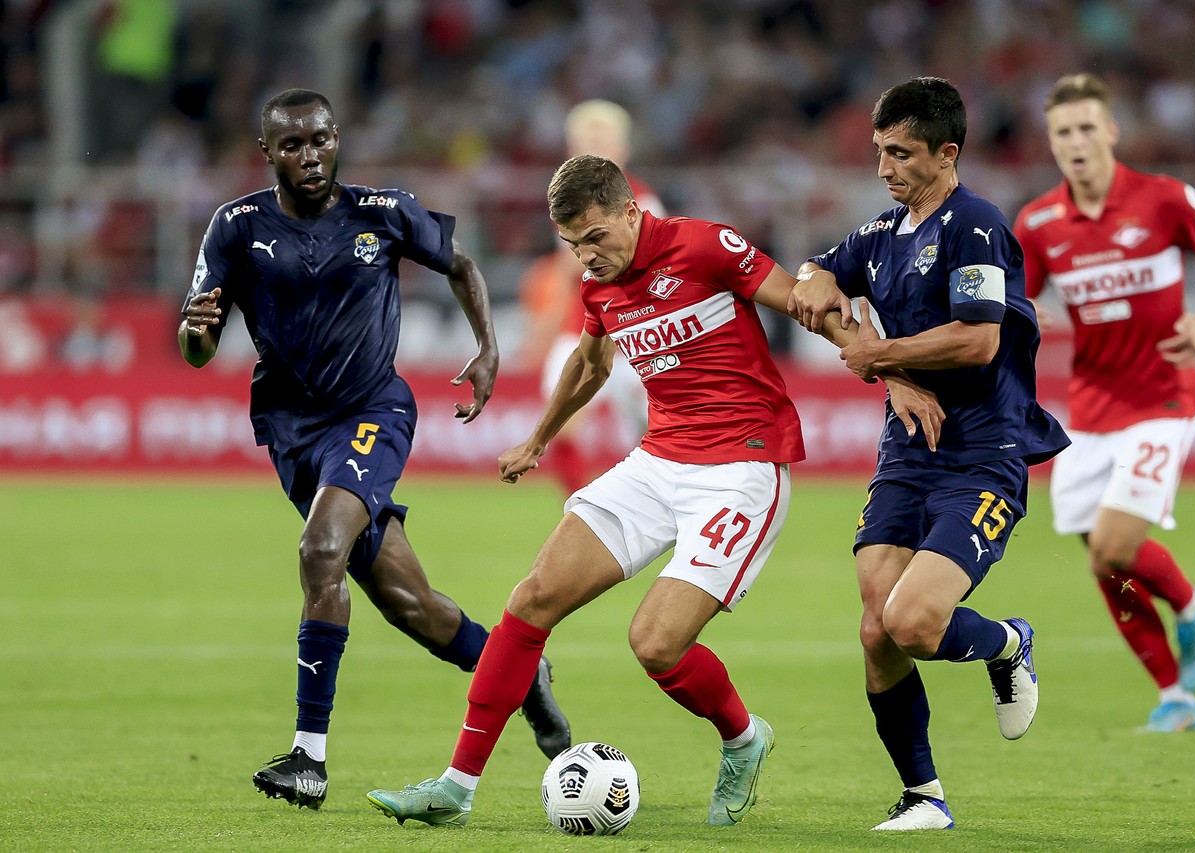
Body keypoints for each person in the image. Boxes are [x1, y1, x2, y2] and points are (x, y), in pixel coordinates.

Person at [365, 154, 943, 829]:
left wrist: (889, 371)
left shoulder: (704, 245)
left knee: (656, 643)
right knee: (531, 600)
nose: (588, 256)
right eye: (573, 244)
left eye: (596, 237)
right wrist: (539, 438)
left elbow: (807, 303)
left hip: (741, 468)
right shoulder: (598, 287)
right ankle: (455, 787)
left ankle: (743, 737)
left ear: (631, 212)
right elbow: (590, 363)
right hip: (658, 461)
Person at [177, 88, 570, 811]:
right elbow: (196, 345)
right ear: (267, 153)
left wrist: (488, 348)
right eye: (292, 145)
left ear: (337, 138)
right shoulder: (236, 226)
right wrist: (195, 333)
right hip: (292, 432)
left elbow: (462, 265)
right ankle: (523, 677)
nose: (310, 155)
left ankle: (308, 758)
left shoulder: (383, 211)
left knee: (320, 549)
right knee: (410, 605)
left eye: (321, 139)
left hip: (371, 412)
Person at [788, 76, 1070, 831]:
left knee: (913, 622)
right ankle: (924, 796)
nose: (885, 168)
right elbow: (808, 276)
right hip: (908, 452)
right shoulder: (882, 232)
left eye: (902, 154)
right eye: (880, 151)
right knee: (876, 628)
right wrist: (875, 355)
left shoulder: (975, 224)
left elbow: (978, 340)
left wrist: (879, 354)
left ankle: (1007, 642)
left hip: (983, 452)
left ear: (948, 154)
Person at [1013, 73, 1195, 733]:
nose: (1076, 142)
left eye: (1087, 127)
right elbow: (1016, 296)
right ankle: (1175, 695)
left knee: (1116, 545)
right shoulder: (1039, 223)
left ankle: (1192, 602)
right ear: (1052, 143)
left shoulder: (1163, 198)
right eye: (1063, 132)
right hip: (1089, 410)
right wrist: (1022, 310)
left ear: (1112, 131)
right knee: (1104, 563)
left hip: (1161, 399)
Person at [517, 100, 665, 494]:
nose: (594, 149)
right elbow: (569, 274)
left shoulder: (643, 200)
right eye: (586, 141)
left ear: (623, 149)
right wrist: (546, 328)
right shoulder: (565, 201)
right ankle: (582, 512)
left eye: (603, 141)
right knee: (562, 424)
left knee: (657, 432)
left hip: (634, 331)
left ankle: (653, 505)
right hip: (582, 327)